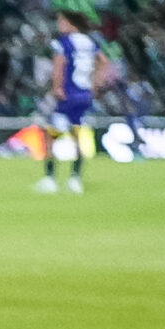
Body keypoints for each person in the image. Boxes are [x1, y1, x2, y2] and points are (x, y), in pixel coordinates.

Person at [39, 11, 105, 196]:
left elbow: (59, 65)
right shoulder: (89, 42)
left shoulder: (64, 42)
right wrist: (95, 85)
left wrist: (57, 87)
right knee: (77, 135)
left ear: (71, 24)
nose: (59, 25)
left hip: (67, 95)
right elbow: (103, 62)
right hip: (84, 95)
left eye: (62, 21)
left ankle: (50, 179)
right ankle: (75, 179)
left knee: (49, 134)